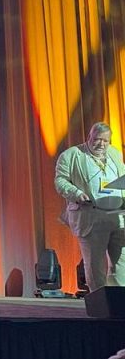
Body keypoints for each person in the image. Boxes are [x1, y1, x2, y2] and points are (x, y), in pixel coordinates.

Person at [54, 122, 125, 292]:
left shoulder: (115, 154)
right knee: (95, 264)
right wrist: (76, 193)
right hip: (91, 217)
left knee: (121, 263)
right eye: (97, 139)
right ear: (89, 137)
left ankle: (121, 302)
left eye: (105, 141)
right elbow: (60, 181)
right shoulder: (72, 155)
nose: (101, 144)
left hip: (117, 217)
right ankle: (101, 304)